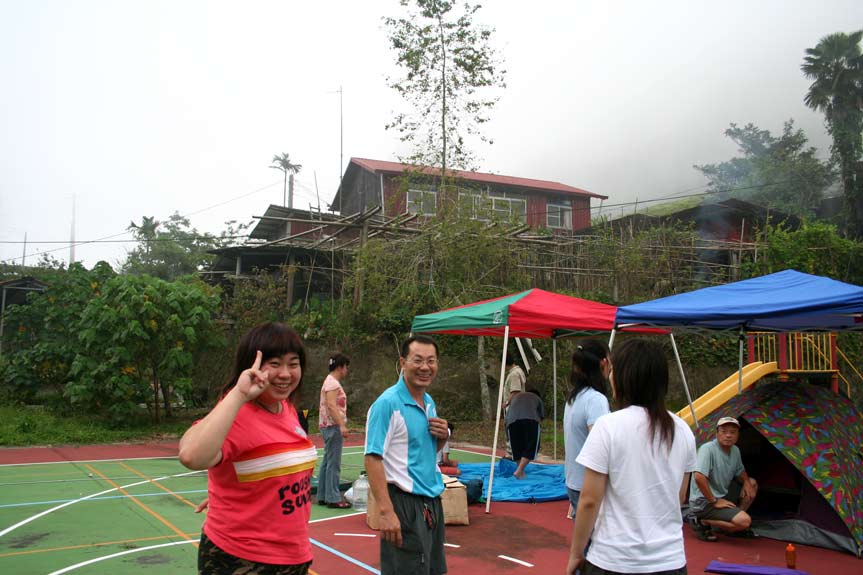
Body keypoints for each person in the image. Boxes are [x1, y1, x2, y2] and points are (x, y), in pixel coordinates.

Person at [178, 322, 317, 575]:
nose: (285, 373)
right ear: (251, 365)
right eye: (274, 364)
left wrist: (234, 492)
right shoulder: (238, 413)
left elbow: (270, 466)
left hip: (293, 554)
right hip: (242, 559)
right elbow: (191, 455)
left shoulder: (285, 408)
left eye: (293, 364)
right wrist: (239, 394)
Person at [566, 338, 697, 575]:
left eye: (614, 370)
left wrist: (576, 552)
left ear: (624, 378)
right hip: (670, 561)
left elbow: (589, 500)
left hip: (613, 560)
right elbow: (678, 496)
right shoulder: (683, 430)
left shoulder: (608, 426)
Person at [364, 335, 450, 575]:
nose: (425, 367)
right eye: (418, 360)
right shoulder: (387, 404)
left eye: (431, 361)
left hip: (431, 500)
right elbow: (372, 458)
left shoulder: (428, 401)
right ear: (403, 363)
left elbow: (421, 453)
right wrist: (386, 512)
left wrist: (442, 438)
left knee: (432, 570)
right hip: (403, 503)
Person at [689, 416, 759, 541]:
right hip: (704, 501)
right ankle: (701, 521)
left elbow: (740, 471)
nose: (728, 435)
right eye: (724, 431)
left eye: (733, 432)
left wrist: (746, 482)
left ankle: (731, 525)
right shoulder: (707, 449)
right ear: (716, 433)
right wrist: (714, 501)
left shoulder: (735, 450)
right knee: (745, 521)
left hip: (722, 494)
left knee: (752, 483)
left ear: (738, 435)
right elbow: (699, 477)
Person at [563, 340, 611, 520]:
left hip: (574, 481)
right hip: (589, 485)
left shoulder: (574, 397)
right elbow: (600, 447)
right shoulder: (596, 400)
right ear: (604, 363)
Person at [318, 353, 351, 509]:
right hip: (332, 426)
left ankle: (323, 495)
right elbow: (331, 405)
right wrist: (341, 425)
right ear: (340, 367)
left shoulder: (329, 381)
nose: (346, 370)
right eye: (346, 367)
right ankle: (333, 497)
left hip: (327, 425)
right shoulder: (333, 384)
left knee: (327, 461)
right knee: (334, 463)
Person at [505, 388, 545, 479]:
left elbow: (507, 418)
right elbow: (541, 416)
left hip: (512, 422)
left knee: (517, 447)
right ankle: (519, 470)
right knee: (531, 446)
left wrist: (507, 435)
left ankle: (520, 472)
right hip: (530, 420)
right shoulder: (537, 398)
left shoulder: (515, 397)